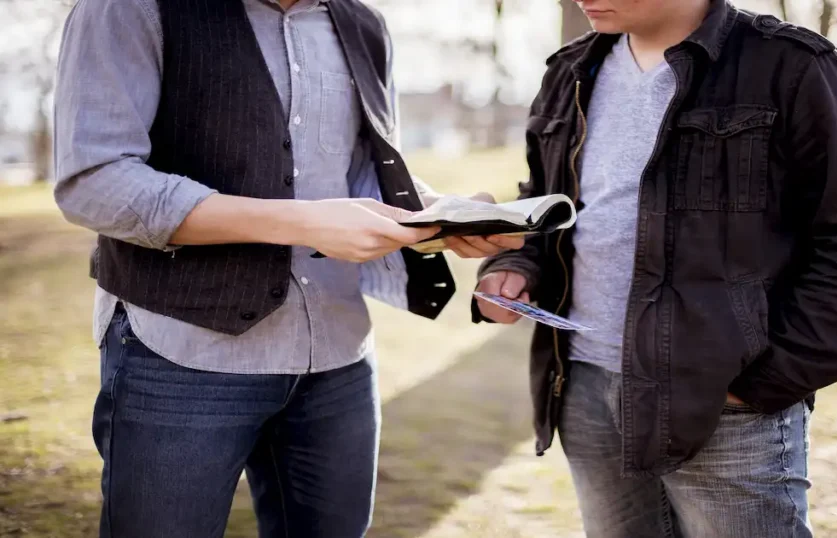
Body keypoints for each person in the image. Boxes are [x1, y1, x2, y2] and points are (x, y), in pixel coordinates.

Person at [53, 0, 521, 536]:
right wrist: (301, 222)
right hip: (179, 353)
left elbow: (355, 177)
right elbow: (95, 183)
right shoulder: (128, 9)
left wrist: (443, 218)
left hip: (338, 358)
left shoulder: (364, 24)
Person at [474, 0, 837, 536]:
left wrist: (768, 380)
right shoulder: (568, 71)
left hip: (724, 405)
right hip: (585, 389)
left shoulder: (791, 65)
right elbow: (545, 203)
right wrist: (517, 263)